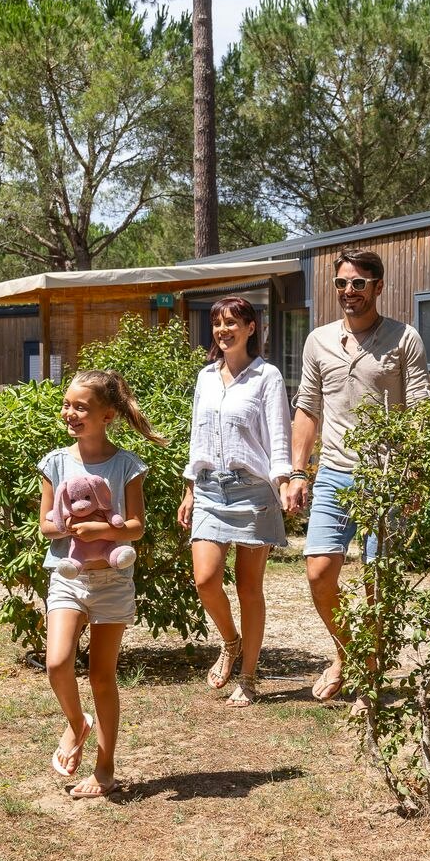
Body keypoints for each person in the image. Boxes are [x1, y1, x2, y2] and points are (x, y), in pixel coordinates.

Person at [280, 249, 430, 702]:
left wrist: (414, 476)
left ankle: (367, 672)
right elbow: (307, 408)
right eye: (342, 283)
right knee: (319, 572)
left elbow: (420, 410)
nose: (349, 292)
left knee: (377, 580)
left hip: (386, 478)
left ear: (378, 287)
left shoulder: (404, 338)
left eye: (359, 284)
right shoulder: (318, 341)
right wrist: (297, 471)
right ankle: (351, 654)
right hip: (335, 472)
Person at [37, 369, 161, 799]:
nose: (70, 413)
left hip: (111, 580)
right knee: (57, 663)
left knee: (102, 677)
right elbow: (45, 527)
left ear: (108, 415)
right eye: (67, 404)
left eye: (81, 407)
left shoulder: (127, 465)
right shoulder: (55, 462)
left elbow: (136, 527)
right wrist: (68, 527)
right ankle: (77, 724)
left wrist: (101, 532)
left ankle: (104, 769)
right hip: (68, 577)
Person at [177, 296, 291, 706]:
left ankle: (248, 677)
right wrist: (190, 487)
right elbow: (198, 435)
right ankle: (230, 641)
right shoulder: (206, 376)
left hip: (253, 490)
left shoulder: (267, 376)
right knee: (205, 579)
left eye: (232, 323)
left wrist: (284, 482)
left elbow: (279, 434)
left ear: (251, 328)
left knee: (249, 587)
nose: (224, 330)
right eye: (217, 324)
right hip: (209, 488)